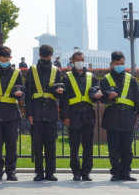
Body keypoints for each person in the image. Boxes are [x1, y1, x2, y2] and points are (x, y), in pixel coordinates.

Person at [100, 51, 139, 182]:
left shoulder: (131, 79)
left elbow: (137, 98)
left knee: (127, 148)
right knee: (114, 147)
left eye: (122, 64)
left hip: (128, 116)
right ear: (111, 64)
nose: (120, 66)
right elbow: (101, 99)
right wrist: (108, 97)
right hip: (113, 116)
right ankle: (115, 173)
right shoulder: (106, 79)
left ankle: (126, 172)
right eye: (117, 64)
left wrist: (138, 115)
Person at [25, 44, 65, 181]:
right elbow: (28, 94)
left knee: (50, 144)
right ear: (39, 56)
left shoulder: (56, 71)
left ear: (52, 56)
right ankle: (39, 173)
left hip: (50, 111)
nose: (47, 59)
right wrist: (29, 113)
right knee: (37, 144)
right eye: (44, 57)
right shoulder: (32, 70)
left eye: (48, 57)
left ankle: (50, 172)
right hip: (36, 111)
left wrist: (59, 92)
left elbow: (60, 92)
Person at [60, 51, 102, 181]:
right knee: (74, 146)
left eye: (82, 59)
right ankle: (76, 172)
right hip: (73, 114)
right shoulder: (66, 77)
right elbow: (63, 99)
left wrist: (98, 94)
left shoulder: (92, 76)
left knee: (88, 145)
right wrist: (65, 117)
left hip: (88, 114)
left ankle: (86, 172)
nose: (80, 62)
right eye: (77, 59)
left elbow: (96, 91)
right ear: (72, 61)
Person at [0, 45, 25, 181]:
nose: (4, 62)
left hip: (12, 113)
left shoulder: (17, 73)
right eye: (1, 59)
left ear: (10, 58)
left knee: (11, 144)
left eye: (6, 59)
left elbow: (20, 90)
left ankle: (11, 171)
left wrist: (19, 94)